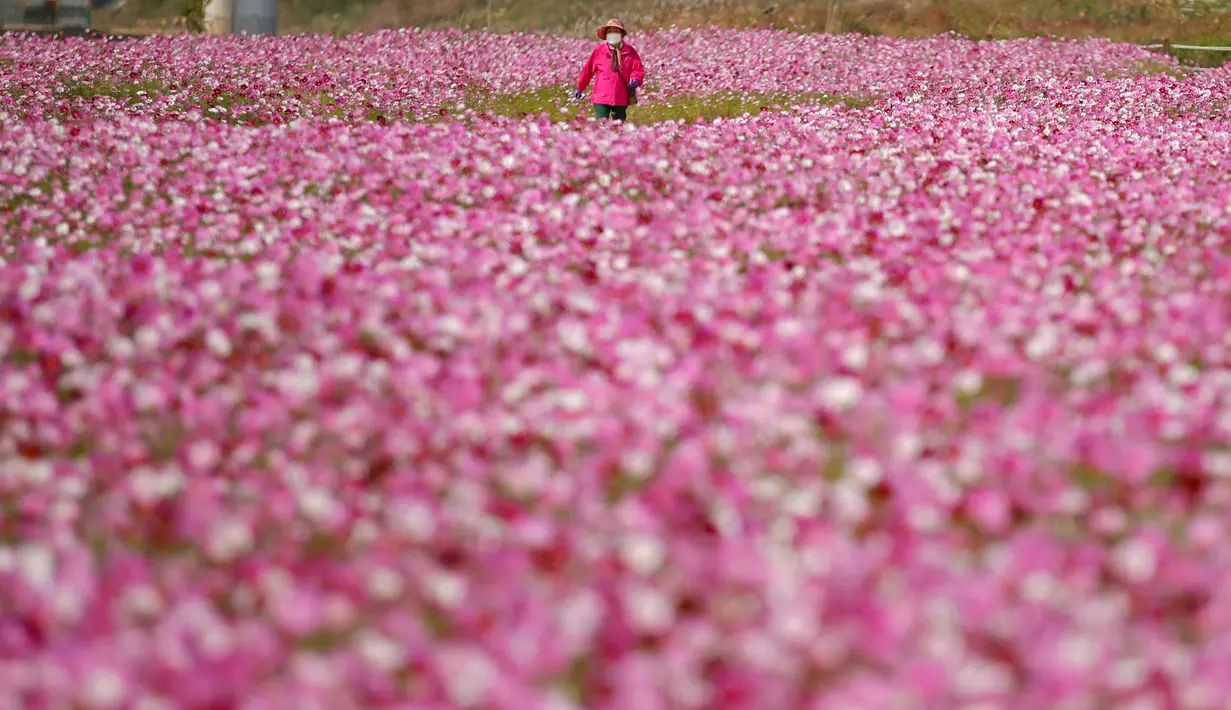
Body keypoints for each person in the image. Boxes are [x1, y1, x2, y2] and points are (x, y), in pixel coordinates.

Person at [573, 19, 645, 122]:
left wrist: (635, 79)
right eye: (610, 32)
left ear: (621, 34)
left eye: (616, 32)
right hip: (601, 96)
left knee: (619, 124)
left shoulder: (630, 51)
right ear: (606, 34)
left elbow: (638, 69)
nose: (613, 34)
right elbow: (588, 71)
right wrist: (580, 87)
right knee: (602, 124)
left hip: (621, 96)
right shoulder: (599, 51)